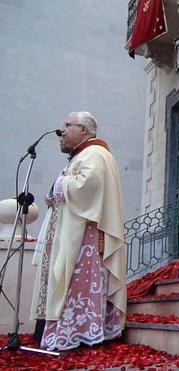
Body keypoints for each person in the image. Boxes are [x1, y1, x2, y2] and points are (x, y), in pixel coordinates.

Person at [30, 111, 126, 351]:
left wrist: (59, 185)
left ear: (83, 129)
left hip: (85, 238)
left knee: (78, 281)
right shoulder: (83, 155)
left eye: (67, 125)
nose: (61, 131)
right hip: (74, 233)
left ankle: (78, 330)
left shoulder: (96, 153)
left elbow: (89, 185)